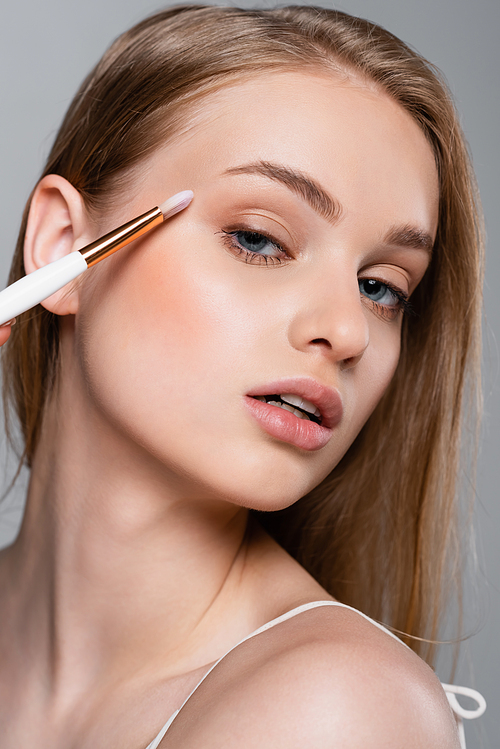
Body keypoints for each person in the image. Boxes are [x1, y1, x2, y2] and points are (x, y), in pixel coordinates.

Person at [0, 5, 486, 747]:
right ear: (65, 247)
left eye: (382, 285)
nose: (348, 330)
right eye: (259, 239)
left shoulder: (335, 711)